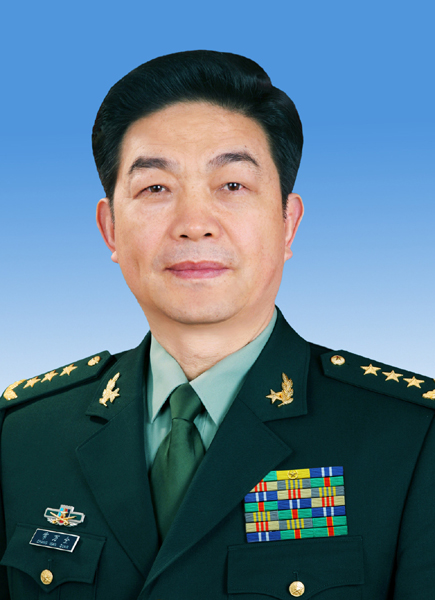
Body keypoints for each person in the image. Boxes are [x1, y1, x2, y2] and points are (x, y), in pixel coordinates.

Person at [1, 50, 434, 600]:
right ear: (110, 229)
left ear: (287, 223)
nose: (194, 225)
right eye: (155, 188)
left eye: (232, 185)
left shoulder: (411, 437)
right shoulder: (25, 434)